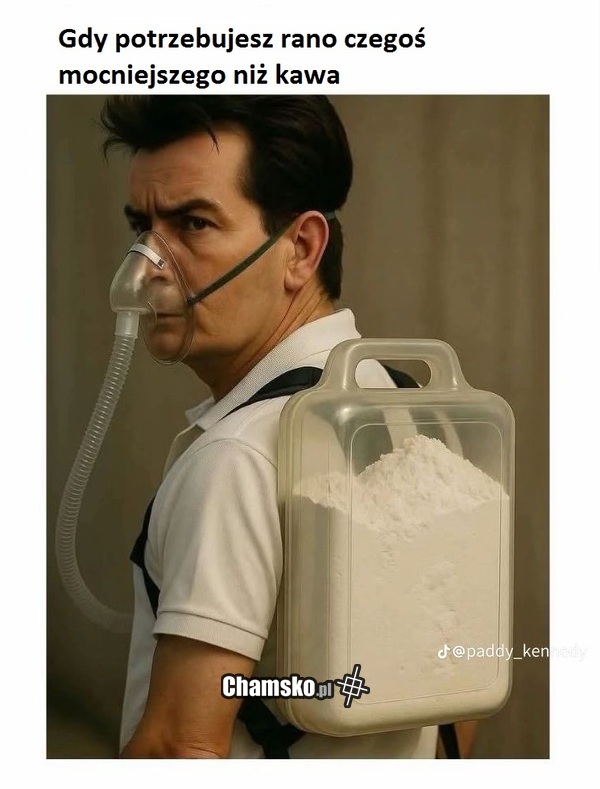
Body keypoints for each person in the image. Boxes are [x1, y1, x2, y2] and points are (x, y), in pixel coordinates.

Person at [100, 95, 442, 759]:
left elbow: (180, 750)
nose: (147, 266)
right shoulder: (412, 411)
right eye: (142, 226)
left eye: (193, 224)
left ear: (301, 249)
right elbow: (461, 694)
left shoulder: (237, 459)